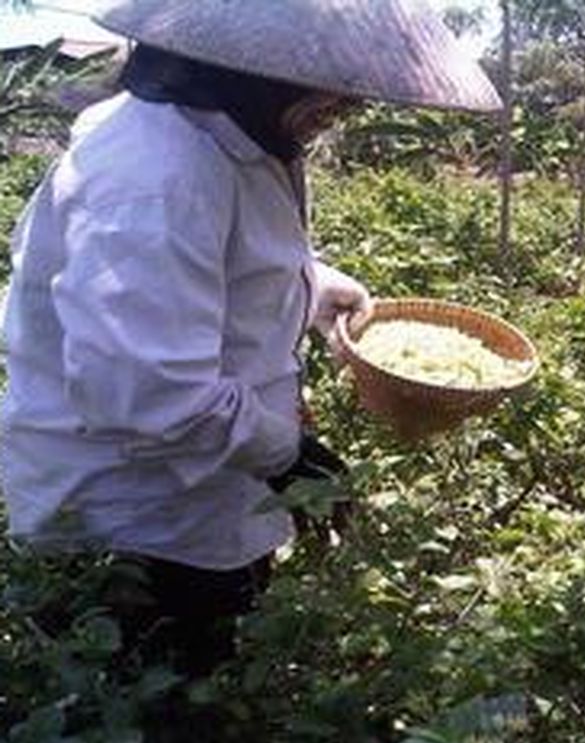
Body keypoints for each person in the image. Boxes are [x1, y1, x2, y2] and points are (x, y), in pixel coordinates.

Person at [1, 0, 500, 677]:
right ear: (244, 68)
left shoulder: (229, 133)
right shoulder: (155, 175)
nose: (347, 103)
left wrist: (313, 289)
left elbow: (209, 269)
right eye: (328, 84)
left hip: (200, 493)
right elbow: (150, 392)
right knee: (162, 721)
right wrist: (286, 453)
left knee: (216, 692)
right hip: (141, 525)